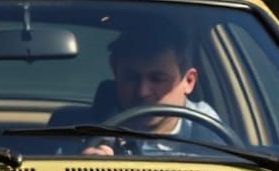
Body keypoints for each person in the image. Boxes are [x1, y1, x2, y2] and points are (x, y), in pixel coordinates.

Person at [81, 20, 226, 157]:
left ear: (188, 81)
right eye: (132, 78)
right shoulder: (80, 131)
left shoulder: (208, 130)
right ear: (115, 71)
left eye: (158, 79)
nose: (142, 91)